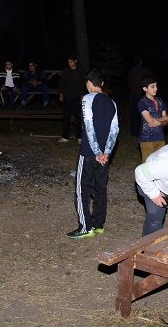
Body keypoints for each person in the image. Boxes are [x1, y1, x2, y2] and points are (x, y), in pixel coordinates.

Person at [67, 69, 119, 239]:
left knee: (82, 189)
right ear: (102, 83)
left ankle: (85, 227)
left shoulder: (87, 99)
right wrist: (106, 153)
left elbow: (88, 127)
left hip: (89, 153)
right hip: (104, 156)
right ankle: (98, 225)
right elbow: (115, 130)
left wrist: (97, 152)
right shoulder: (112, 103)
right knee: (100, 189)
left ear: (89, 84)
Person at [138, 77, 168, 162]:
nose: (156, 89)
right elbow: (151, 122)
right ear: (145, 89)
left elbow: (167, 121)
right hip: (147, 139)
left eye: (156, 86)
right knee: (147, 165)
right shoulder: (142, 102)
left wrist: (160, 122)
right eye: (152, 87)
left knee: (160, 164)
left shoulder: (160, 100)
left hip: (160, 138)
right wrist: (164, 119)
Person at [58, 55, 85, 143]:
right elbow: (62, 83)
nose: (69, 63)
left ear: (75, 61)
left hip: (77, 97)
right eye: (68, 62)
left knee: (78, 117)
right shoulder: (66, 71)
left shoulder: (80, 71)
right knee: (66, 117)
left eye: (71, 61)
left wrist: (82, 95)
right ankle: (65, 137)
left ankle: (79, 137)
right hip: (67, 97)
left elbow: (83, 84)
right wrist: (61, 94)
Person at [127, 57, 153, 136]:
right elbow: (151, 80)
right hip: (142, 95)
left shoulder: (131, 71)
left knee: (134, 114)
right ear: (141, 62)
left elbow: (129, 84)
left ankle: (134, 132)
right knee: (144, 113)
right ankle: (144, 131)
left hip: (134, 95)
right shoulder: (145, 70)